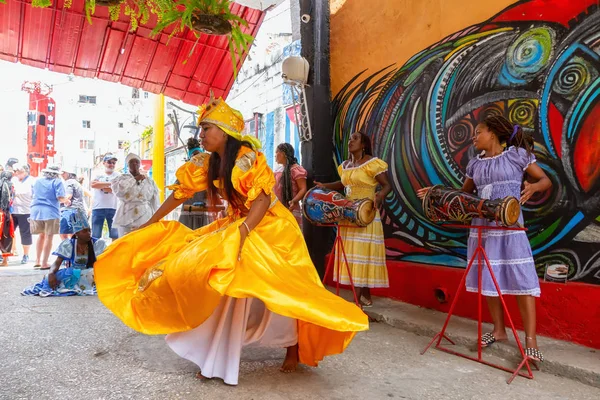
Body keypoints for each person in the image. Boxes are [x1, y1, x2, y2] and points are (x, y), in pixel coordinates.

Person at [94, 96, 368, 386]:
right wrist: (151, 222)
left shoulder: (247, 159)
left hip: (271, 228)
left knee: (288, 291)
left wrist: (244, 233)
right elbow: (180, 193)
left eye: (205, 129)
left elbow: (262, 200)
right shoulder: (209, 163)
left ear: (223, 131)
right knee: (216, 278)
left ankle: (293, 346)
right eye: (201, 130)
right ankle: (216, 357)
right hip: (240, 224)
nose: (201, 135)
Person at [417, 115, 552, 362]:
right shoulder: (475, 164)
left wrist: (533, 187)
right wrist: (438, 194)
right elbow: (464, 195)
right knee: (488, 279)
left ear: (492, 133)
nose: (473, 137)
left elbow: (545, 180)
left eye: (478, 132)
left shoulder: (516, 156)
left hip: (510, 228)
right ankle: (499, 331)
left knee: (522, 281)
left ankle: (531, 342)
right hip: (483, 228)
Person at [315, 132, 391, 307]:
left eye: (355, 138)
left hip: (366, 214)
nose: (350, 141)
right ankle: (365, 297)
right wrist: (325, 186)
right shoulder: (346, 166)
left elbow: (387, 185)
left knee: (361, 254)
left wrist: (379, 196)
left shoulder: (372, 164)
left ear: (363, 144)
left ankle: (356, 303)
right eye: (349, 138)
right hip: (348, 214)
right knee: (354, 256)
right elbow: (343, 184)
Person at [21, 209, 107, 297]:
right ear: (77, 233)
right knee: (50, 278)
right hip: (74, 274)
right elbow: (57, 263)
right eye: (85, 231)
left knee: (90, 273)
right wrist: (51, 273)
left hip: (92, 274)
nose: (89, 233)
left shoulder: (98, 244)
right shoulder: (68, 244)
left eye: (89, 230)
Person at [178, 137, 225, 229]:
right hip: (189, 215)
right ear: (190, 158)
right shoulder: (184, 172)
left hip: (205, 214)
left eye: (199, 155)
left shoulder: (210, 172)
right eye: (194, 156)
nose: (197, 159)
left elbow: (219, 196)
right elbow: (177, 195)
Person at [111, 153, 160, 237]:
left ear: (140, 164)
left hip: (145, 215)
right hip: (126, 214)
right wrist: (135, 179)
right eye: (131, 162)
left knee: (143, 240)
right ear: (127, 164)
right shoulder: (121, 178)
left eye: (136, 162)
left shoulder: (149, 181)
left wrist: (157, 217)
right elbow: (119, 191)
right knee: (126, 241)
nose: (134, 164)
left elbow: (155, 200)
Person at [30, 165, 67, 270]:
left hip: (36, 210)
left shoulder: (37, 181)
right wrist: (67, 201)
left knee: (41, 235)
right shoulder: (57, 181)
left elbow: (33, 194)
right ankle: (45, 263)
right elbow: (60, 197)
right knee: (49, 236)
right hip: (50, 211)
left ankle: (37, 260)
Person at [274, 143, 307, 227]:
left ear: (283, 154)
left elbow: (303, 188)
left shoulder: (296, 169)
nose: (275, 155)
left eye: (276, 152)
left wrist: (294, 201)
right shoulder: (278, 170)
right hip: (278, 209)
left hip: (290, 208)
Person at [90, 154, 120, 240]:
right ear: (104, 163)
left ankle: (113, 253)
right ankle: (96, 253)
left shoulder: (118, 175)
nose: (112, 165)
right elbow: (93, 185)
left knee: (115, 235)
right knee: (95, 235)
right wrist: (111, 184)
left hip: (113, 208)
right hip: (98, 208)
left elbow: (118, 189)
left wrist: (102, 186)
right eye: (109, 162)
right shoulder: (97, 174)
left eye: (113, 163)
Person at [11, 164, 35, 264]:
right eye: (16, 172)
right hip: (13, 210)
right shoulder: (14, 180)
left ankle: (26, 254)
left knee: (25, 233)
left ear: (25, 171)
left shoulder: (32, 181)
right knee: (8, 233)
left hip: (26, 211)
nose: (18, 174)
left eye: (20, 172)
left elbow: (35, 195)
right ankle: (6, 254)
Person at [59, 168, 87, 240]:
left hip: (70, 211)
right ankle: (74, 249)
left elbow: (68, 196)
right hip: (79, 211)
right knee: (76, 235)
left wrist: (56, 201)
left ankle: (69, 250)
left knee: (64, 234)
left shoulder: (69, 182)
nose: (62, 175)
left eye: (64, 173)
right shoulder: (77, 183)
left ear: (69, 173)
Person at [0, 171, 14, 266]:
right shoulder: (11, 185)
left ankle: (5, 261)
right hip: (7, 213)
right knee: (7, 236)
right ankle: (5, 261)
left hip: (2, 213)